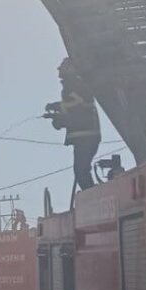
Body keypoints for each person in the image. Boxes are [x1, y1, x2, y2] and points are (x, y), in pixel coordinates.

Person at [44, 58, 101, 191]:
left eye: (63, 67)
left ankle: (91, 194)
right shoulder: (74, 86)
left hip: (86, 136)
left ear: (72, 68)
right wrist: (57, 113)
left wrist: (59, 118)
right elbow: (73, 108)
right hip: (84, 137)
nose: (59, 70)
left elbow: (77, 110)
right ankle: (90, 193)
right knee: (81, 170)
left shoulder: (74, 85)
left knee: (81, 171)